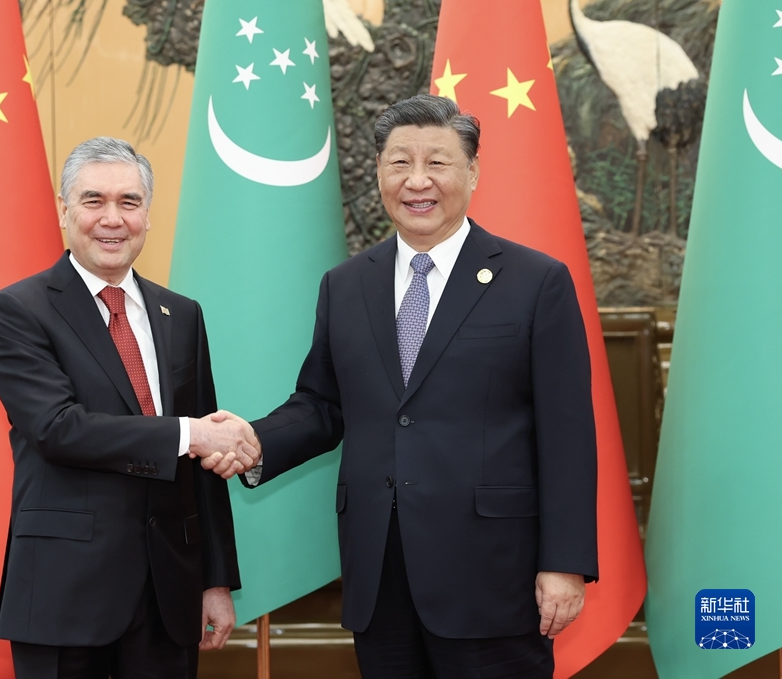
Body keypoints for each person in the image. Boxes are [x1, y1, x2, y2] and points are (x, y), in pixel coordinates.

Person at [219, 95, 598, 678]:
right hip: (380, 575)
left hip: (492, 577)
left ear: (473, 171)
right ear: (379, 172)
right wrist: (255, 440)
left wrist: (565, 563)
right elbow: (322, 405)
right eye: (400, 163)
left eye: (437, 163)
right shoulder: (346, 285)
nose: (417, 181)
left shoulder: (536, 281)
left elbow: (567, 433)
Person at [0, 137, 260, 679]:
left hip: (169, 596)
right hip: (65, 594)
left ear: (147, 215)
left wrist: (215, 581)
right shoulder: (18, 309)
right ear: (65, 210)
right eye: (94, 201)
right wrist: (190, 434)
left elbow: (203, 464)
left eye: (129, 202)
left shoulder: (181, 314)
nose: (112, 219)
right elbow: (58, 429)